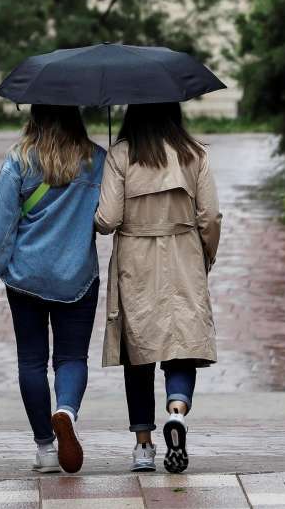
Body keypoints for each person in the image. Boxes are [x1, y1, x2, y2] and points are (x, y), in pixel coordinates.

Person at [0, 104, 106, 474]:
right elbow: (108, 218)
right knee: (71, 358)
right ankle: (66, 411)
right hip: (77, 276)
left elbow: (2, 227)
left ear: (35, 115)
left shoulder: (19, 161)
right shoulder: (96, 159)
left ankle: (46, 449)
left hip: (26, 277)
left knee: (32, 361)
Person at [94, 102, 222, 473]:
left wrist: (97, 216)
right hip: (184, 255)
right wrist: (206, 255)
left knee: (138, 353)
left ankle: (143, 448)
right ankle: (177, 411)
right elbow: (210, 217)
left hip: (136, 261)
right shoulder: (194, 154)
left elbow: (108, 219)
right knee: (182, 344)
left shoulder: (120, 154)